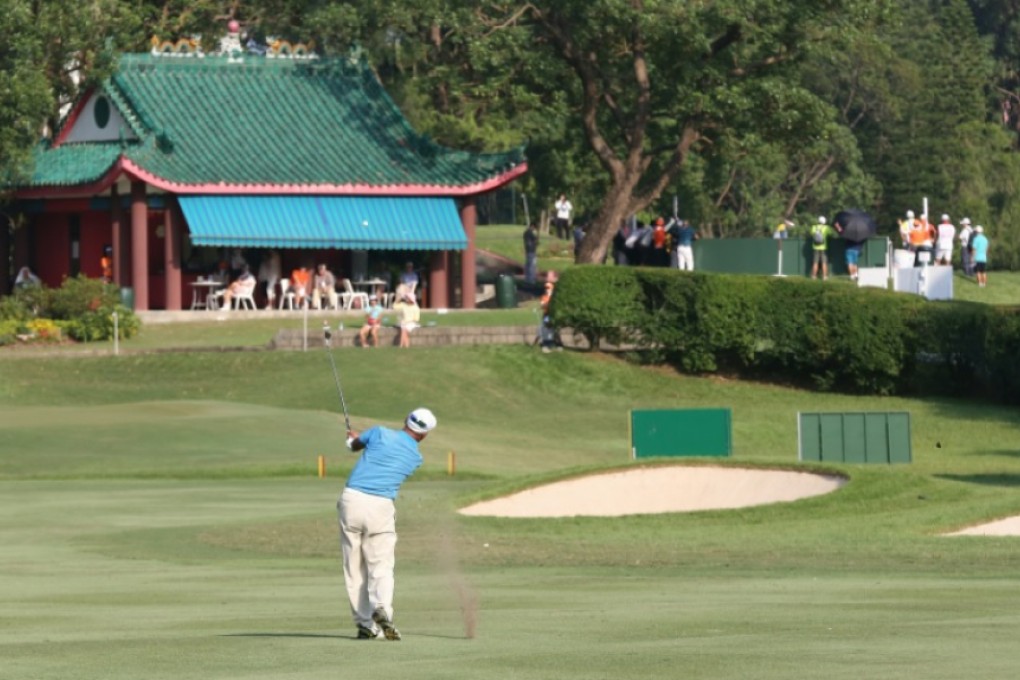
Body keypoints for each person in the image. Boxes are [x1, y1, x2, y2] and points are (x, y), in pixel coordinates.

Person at [339, 407, 437, 641]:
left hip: (351, 500)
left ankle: (365, 624)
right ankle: (381, 608)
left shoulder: (379, 433)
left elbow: (354, 446)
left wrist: (352, 440)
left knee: (354, 566)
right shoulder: (416, 458)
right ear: (424, 435)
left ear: (406, 419)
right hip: (380, 507)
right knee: (380, 565)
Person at [810, 216, 834, 280]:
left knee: (815, 262)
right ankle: (824, 276)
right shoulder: (826, 227)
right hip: (824, 247)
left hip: (815, 247)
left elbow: (811, 234)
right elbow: (831, 233)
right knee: (824, 262)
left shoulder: (814, 227)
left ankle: (813, 276)